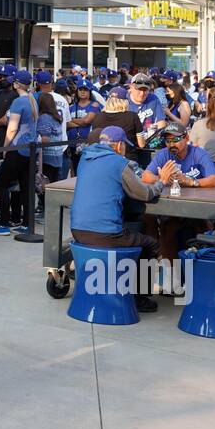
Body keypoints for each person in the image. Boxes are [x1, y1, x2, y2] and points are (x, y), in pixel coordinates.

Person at [69, 126, 162, 312]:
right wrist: (162, 182)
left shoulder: (84, 159)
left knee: (128, 233)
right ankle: (140, 297)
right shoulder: (120, 163)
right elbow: (144, 193)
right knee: (150, 244)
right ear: (119, 146)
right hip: (105, 234)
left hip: (77, 231)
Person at [140, 122, 215, 280]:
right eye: (168, 141)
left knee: (204, 228)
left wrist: (190, 182)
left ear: (187, 138)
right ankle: (171, 276)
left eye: (175, 140)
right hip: (172, 208)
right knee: (165, 226)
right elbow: (145, 176)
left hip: (198, 209)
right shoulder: (164, 154)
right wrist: (161, 179)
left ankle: (202, 275)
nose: (171, 144)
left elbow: (214, 179)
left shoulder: (198, 153)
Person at [0, 68, 38, 236]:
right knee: (25, 187)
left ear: (16, 84)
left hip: (17, 148)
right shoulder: (32, 100)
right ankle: (26, 223)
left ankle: (4, 222)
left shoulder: (18, 102)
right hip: (30, 149)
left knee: (2, 183)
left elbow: (12, 128)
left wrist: (6, 148)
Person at [89, 87, 145, 153]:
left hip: (103, 156)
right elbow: (141, 144)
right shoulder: (132, 116)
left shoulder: (98, 116)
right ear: (125, 101)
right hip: (127, 158)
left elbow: (94, 139)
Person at [127, 73, 167, 139]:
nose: (142, 93)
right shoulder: (124, 100)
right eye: (139, 89)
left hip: (149, 139)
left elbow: (161, 123)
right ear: (131, 87)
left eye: (145, 90)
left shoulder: (153, 99)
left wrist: (158, 138)